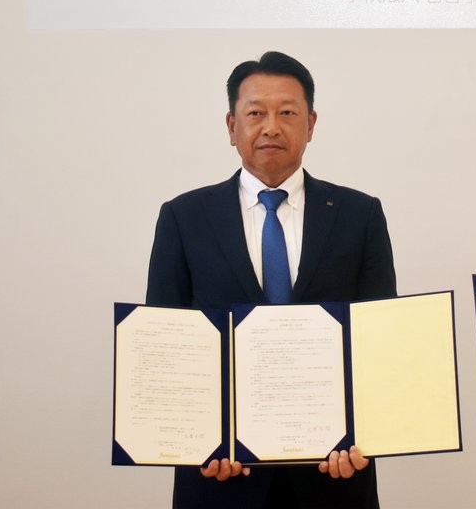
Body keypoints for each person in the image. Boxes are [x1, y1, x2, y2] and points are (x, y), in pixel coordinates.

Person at [147, 51, 397, 509]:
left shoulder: (359, 214)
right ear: (231, 126)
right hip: (220, 478)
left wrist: (368, 437)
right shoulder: (184, 217)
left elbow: (382, 339)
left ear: (311, 124)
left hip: (334, 474)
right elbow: (165, 345)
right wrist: (194, 443)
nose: (271, 127)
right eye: (255, 114)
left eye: (287, 113)